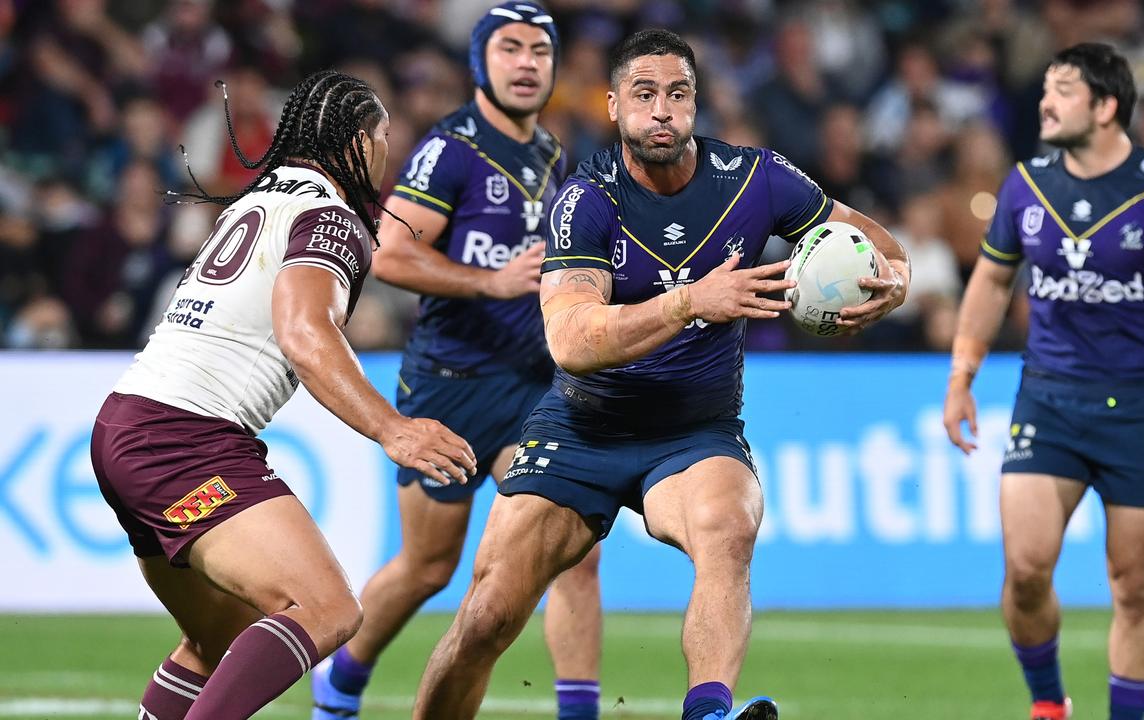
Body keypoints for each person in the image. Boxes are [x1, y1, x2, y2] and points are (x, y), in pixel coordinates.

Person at [413, 29, 910, 720]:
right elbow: (569, 341)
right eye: (644, 95)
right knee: (487, 618)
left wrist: (895, 286)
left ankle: (706, 713)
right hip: (584, 428)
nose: (662, 110)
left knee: (728, 531)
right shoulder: (586, 201)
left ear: (695, 103)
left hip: (693, 434)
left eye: (677, 94)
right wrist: (687, 301)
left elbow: (880, 247)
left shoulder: (758, 179)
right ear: (614, 106)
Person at [90, 70, 477, 720]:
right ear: (354, 142)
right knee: (327, 608)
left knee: (216, 640)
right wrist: (393, 428)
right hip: (186, 440)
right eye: (384, 136)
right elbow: (305, 331)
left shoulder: (258, 200)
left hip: (127, 422)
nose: (389, 153)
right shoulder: (332, 219)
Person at [310, 5, 605, 720]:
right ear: (482, 63)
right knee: (429, 567)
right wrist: (490, 281)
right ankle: (341, 680)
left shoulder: (551, 154)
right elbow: (390, 251)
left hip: (534, 387)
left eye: (541, 50)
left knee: (572, 552)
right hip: (450, 383)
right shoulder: (452, 150)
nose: (528, 62)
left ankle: (580, 712)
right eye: (511, 49)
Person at [943, 44, 1144, 720]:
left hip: (1141, 411)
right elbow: (991, 279)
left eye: (1064, 90)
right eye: (1046, 88)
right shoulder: (1025, 185)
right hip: (1048, 399)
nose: (1045, 101)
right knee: (1025, 571)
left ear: (1105, 107)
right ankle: (1050, 704)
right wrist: (962, 375)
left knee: (1133, 587)